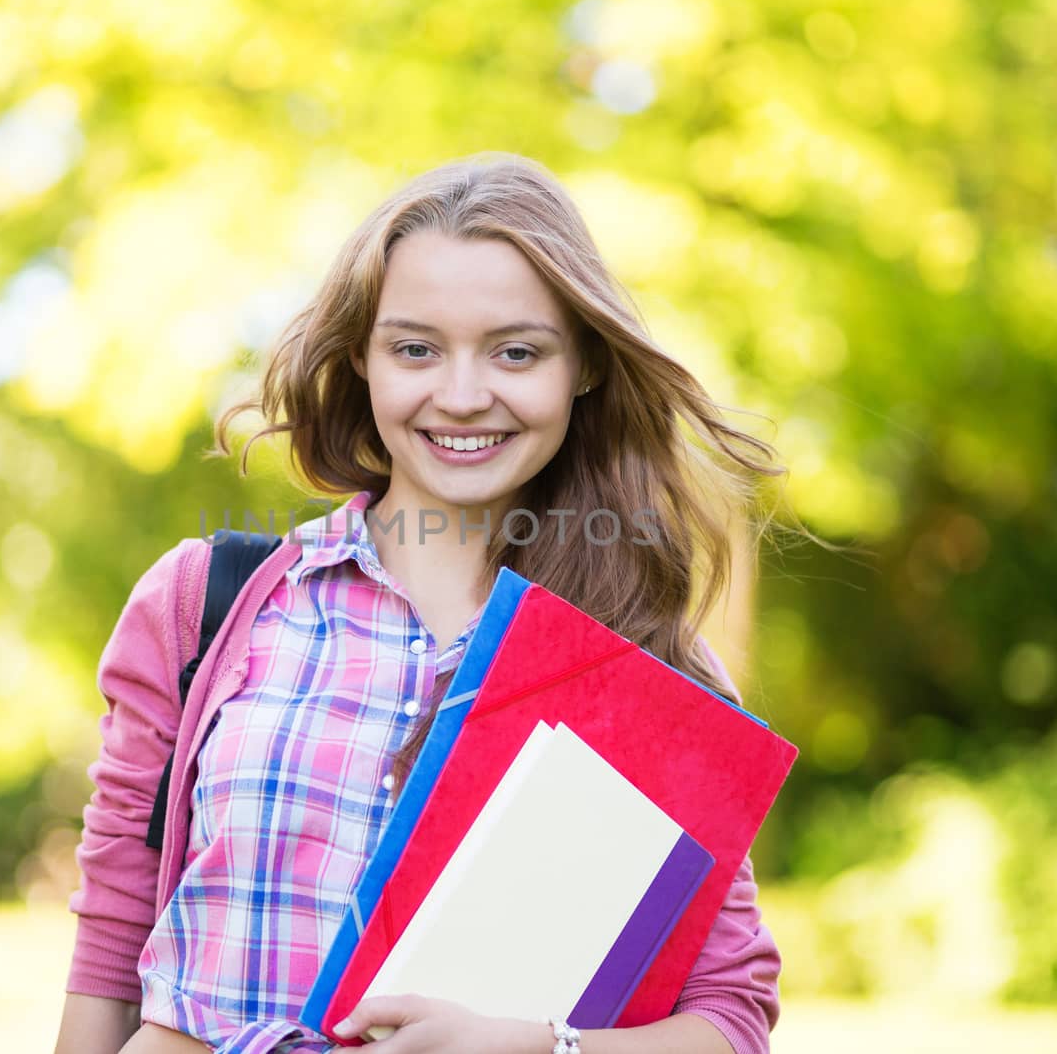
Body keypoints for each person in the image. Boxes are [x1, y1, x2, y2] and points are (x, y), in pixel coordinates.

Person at [53, 153, 785, 1054]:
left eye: (517, 351)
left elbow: (729, 1016)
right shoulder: (208, 603)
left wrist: (534, 1048)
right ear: (361, 358)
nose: (465, 394)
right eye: (416, 348)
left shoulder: (647, 660)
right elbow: (112, 934)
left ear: (584, 366)